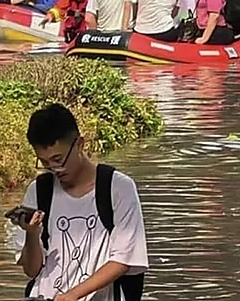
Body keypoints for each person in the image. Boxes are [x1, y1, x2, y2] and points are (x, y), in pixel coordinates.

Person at [13, 103, 148, 301]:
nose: (54, 169)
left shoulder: (117, 187)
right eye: (44, 162)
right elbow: (32, 271)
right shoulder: (39, 190)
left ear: (79, 144)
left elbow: (123, 260)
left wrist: (72, 296)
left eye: (58, 159)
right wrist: (31, 233)